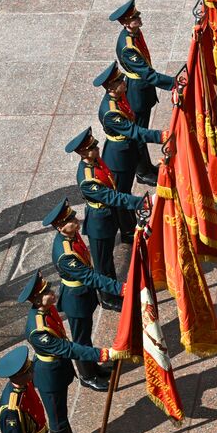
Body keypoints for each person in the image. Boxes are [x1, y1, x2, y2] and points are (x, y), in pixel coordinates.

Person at [19, 274, 124, 433]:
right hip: (49, 376)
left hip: (58, 369)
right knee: (57, 417)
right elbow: (68, 348)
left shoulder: (46, 311)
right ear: (36, 300)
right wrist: (103, 354)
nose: (52, 293)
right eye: (47, 293)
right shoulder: (39, 330)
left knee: (62, 413)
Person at [44, 198, 124, 391]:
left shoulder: (71, 236)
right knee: (81, 339)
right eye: (70, 219)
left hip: (83, 294)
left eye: (73, 216)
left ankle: (93, 367)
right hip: (76, 298)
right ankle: (87, 376)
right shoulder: (65, 255)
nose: (76, 220)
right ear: (60, 227)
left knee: (86, 336)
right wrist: (120, 288)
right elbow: (89, 276)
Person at [65, 128, 144, 310]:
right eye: (92, 147)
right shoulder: (87, 179)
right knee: (103, 263)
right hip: (99, 223)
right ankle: (108, 298)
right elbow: (111, 197)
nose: (97, 148)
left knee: (107, 259)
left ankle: (113, 291)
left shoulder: (96, 163)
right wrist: (140, 202)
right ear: (82, 152)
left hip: (108, 216)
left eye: (95, 145)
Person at [95, 62, 166, 242]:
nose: (124, 82)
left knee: (125, 191)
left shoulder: (119, 97)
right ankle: (128, 232)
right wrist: (161, 136)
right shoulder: (110, 112)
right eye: (120, 81)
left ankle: (131, 226)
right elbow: (133, 130)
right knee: (123, 194)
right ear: (111, 87)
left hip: (128, 150)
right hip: (118, 158)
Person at [109, 0, 175, 185]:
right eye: (134, 17)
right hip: (137, 91)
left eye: (137, 15)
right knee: (139, 134)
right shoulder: (128, 46)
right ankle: (143, 172)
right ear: (125, 23)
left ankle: (147, 166)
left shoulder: (135, 34)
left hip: (143, 89)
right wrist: (174, 83)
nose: (139, 18)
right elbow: (147, 74)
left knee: (142, 131)